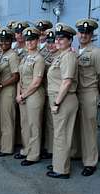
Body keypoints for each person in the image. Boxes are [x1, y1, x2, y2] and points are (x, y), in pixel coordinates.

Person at [46, 23, 78, 179]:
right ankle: (58, 162)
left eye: (62, 38)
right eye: (56, 38)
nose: (57, 41)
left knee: (62, 135)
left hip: (64, 100)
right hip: (60, 99)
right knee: (59, 134)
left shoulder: (68, 56)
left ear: (70, 40)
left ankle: (62, 170)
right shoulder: (62, 55)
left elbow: (67, 81)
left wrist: (57, 103)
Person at [15, 27, 45, 166]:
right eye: (27, 40)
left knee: (34, 125)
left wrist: (23, 95)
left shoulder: (39, 59)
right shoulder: (25, 57)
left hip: (33, 95)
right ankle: (27, 149)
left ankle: (34, 155)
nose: (29, 42)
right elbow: (20, 78)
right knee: (25, 125)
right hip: (23, 95)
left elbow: (36, 82)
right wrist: (18, 94)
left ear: (37, 41)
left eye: (32, 39)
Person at [75, 18, 100, 176]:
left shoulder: (96, 52)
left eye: (87, 32)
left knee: (89, 130)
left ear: (91, 35)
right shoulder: (74, 51)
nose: (83, 35)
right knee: (77, 127)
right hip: (75, 94)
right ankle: (78, 154)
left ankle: (90, 162)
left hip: (89, 93)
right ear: (77, 33)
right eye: (81, 32)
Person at [0, 27, 20, 157]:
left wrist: (2, 84)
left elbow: (16, 76)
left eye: (7, 41)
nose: (3, 43)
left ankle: (7, 148)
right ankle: (0, 144)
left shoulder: (13, 55)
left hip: (7, 90)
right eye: (1, 41)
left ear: (11, 41)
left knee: (7, 120)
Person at [41, 29, 60, 159]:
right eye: (48, 42)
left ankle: (55, 152)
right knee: (49, 123)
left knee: (56, 125)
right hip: (47, 92)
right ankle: (49, 148)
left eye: (53, 42)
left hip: (57, 94)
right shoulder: (45, 54)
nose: (50, 45)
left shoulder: (63, 55)